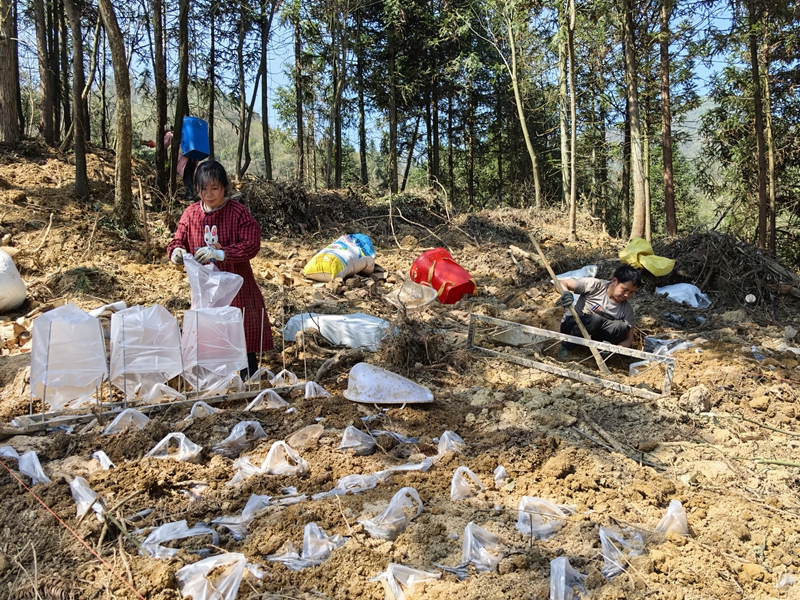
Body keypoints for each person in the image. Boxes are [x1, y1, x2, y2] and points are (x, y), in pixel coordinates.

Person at [167, 160, 272, 377]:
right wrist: (176, 252)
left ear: (224, 187)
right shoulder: (191, 214)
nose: (209, 194)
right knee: (209, 331)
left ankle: (248, 377)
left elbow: (251, 244)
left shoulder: (238, 213)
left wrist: (222, 253)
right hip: (205, 289)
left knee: (240, 329)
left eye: (214, 188)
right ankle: (212, 380)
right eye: (203, 189)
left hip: (237, 286)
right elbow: (178, 240)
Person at [556, 264, 641, 359]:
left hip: (593, 339)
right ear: (614, 281)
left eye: (631, 292)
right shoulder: (595, 286)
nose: (627, 295)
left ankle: (597, 352)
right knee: (595, 319)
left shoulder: (626, 309)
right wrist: (566, 293)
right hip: (571, 328)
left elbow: (629, 338)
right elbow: (561, 283)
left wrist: (615, 349)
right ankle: (565, 348)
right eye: (625, 290)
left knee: (620, 326)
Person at [164, 124, 198, 200]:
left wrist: (152, 144)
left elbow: (164, 144)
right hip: (192, 157)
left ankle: (189, 195)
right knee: (190, 176)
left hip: (184, 159)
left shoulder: (169, 134)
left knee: (187, 177)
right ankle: (193, 193)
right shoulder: (184, 134)